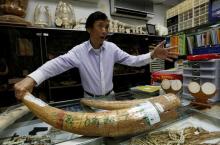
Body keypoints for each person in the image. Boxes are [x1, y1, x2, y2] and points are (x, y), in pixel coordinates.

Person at [14, 11, 178, 100]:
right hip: (89, 100)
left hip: (111, 98)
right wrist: (31, 78)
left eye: (106, 26)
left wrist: (152, 55)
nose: (105, 30)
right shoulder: (79, 51)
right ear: (89, 29)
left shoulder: (112, 48)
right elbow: (56, 64)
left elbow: (133, 61)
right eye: (100, 26)